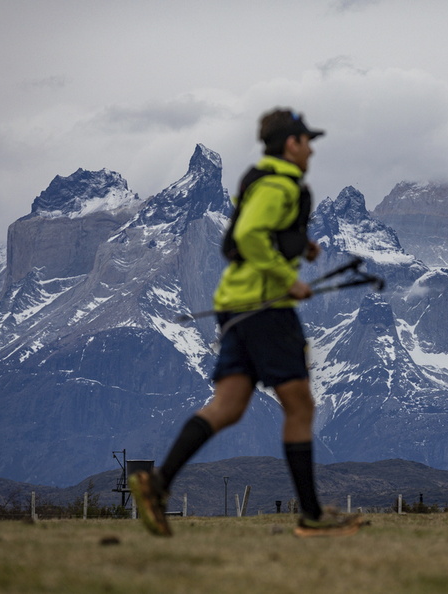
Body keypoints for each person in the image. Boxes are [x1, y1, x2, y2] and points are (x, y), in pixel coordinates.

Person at [130, 108, 362, 538]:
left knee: (229, 405)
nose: (311, 148)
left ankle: (156, 485)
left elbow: (259, 231)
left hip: (235, 304)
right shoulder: (279, 185)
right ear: (291, 143)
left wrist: (301, 247)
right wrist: (286, 279)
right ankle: (311, 516)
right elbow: (248, 236)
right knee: (300, 405)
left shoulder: (260, 181)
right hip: (264, 307)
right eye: (307, 140)